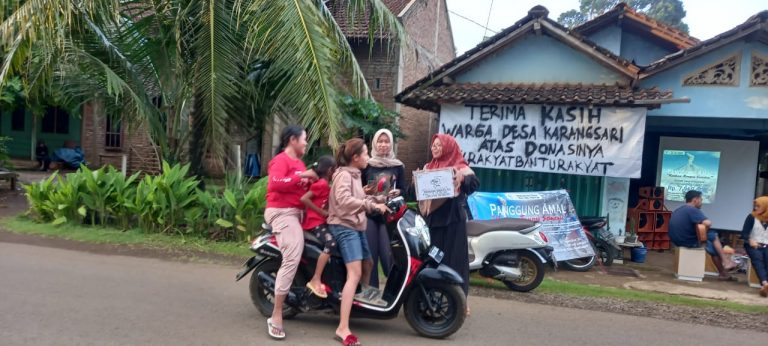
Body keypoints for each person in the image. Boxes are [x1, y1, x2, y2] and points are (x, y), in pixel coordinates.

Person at [328, 138, 389, 346]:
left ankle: (359, 302)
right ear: (355, 158)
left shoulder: (354, 174)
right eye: (365, 154)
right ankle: (342, 327)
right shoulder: (344, 175)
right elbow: (345, 201)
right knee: (354, 274)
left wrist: (377, 200)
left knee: (369, 263)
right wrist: (368, 205)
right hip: (344, 227)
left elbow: (359, 197)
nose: (368, 158)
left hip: (356, 225)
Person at [263, 125, 318, 340]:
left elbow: (303, 188)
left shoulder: (299, 163)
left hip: (298, 213)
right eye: (304, 139)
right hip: (282, 213)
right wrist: (302, 176)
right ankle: (276, 315)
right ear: (293, 140)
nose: (306, 142)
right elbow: (275, 183)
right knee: (293, 255)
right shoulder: (281, 160)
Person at [420, 134, 479, 313]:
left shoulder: (461, 169)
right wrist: (416, 182)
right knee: (431, 262)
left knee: (455, 262)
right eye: (433, 145)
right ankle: (427, 300)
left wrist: (462, 180)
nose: (435, 148)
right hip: (432, 223)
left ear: (448, 147)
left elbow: (474, 184)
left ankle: (460, 304)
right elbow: (415, 192)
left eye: (439, 145)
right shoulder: (428, 168)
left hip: (453, 223)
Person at [361, 129, 403, 288]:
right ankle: (370, 292)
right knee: (370, 255)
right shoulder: (367, 165)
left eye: (386, 141)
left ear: (391, 144)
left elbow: (404, 190)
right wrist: (363, 190)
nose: (383, 145)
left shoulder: (398, 166)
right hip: (370, 213)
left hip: (389, 215)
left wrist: (398, 192)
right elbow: (359, 189)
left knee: (388, 255)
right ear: (375, 143)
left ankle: (393, 291)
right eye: (380, 141)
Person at [669, 190, 737, 280]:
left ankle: (723, 272)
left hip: (677, 240)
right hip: (687, 241)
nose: (702, 202)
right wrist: (704, 235)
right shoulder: (693, 210)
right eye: (701, 199)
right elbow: (708, 223)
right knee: (713, 234)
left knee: (711, 244)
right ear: (695, 200)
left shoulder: (679, 209)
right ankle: (725, 262)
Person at [301, 155, 336, 299]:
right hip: (314, 222)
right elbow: (304, 199)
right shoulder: (321, 184)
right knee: (331, 243)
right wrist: (321, 212)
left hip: (320, 221)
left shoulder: (325, 184)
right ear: (329, 171)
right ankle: (316, 277)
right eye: (335, 170)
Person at [740, 196, 768, 297]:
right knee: (757, 258)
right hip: (753, 245)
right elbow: (744, 233)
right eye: (755, 206)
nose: (756, 208)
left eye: (758, 206)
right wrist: (750, 240)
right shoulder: (751, 217)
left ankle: (765, 287)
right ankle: (765, 283)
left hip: (766, 245)